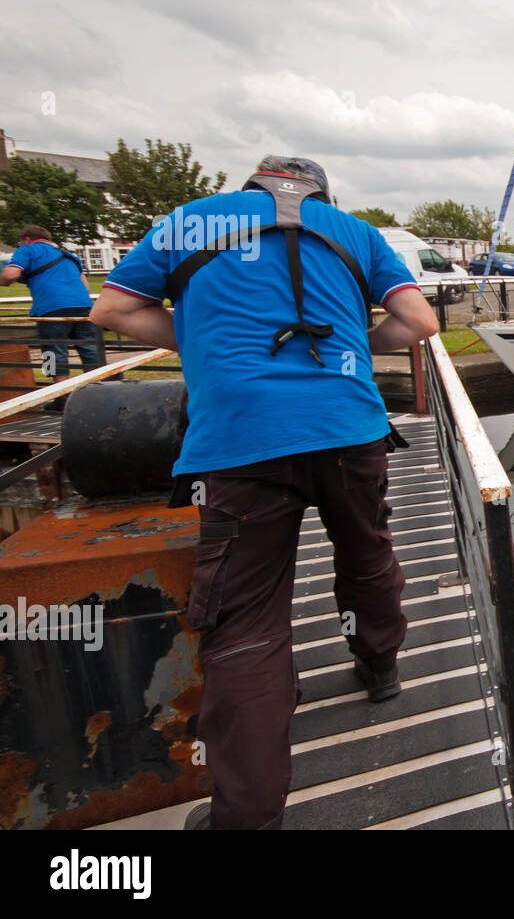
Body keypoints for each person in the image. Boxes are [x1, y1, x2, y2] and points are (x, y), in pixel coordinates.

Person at [90, 155, 440, 831]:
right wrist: (357, 348)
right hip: (349, 428)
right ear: (320, 193)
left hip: (241, 442)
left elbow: (112, 308)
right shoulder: (355, 231)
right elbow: (420, 322)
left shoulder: (189, 220)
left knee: (245, 622)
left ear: (253, 187)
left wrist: (205, 345)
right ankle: (380, 662)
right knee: (366, 552)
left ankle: (247, 816)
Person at [0, 225, 104, 393]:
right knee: (91, 350)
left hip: (51, 309)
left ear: (26, 239)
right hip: (84, 308)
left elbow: (11, 275)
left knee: (52, 352)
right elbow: (85, 286)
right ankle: (98, 391)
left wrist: (2, 280)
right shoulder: (69, 255)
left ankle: (60, 395)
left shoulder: (27, 250)